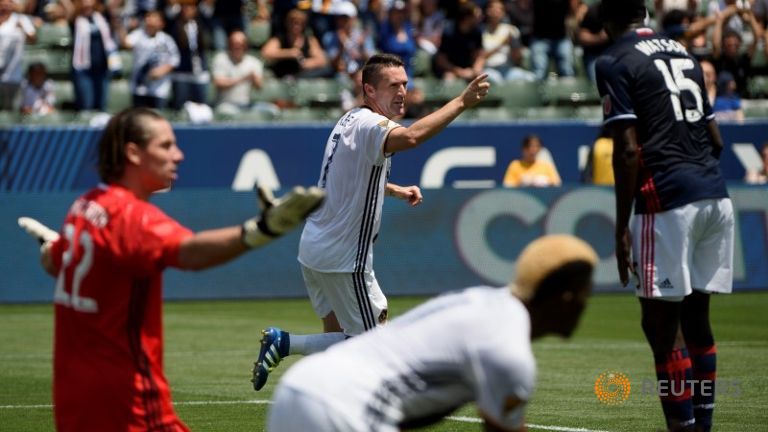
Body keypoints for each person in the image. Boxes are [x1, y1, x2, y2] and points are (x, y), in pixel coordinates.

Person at [17, 107, 324, 432]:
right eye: (165, 146)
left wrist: (52, 246)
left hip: (75, 401)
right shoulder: (134, 218)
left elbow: (56, 263)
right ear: (133, 153)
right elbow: (189, 253)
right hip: (129, 406)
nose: (177, 155)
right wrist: (261, 230)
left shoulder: (85, 205)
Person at [251, 53, 491, 391]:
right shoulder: (370, 125)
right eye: (393, 85)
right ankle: (285, 343)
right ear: (369, 90)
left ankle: (326, 410)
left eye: (405, 84)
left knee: (340, 346)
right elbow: (410, 138)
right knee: (374, 347)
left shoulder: (349, 120)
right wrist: (462, 102)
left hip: (315, 249)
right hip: (344, 258)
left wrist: (394, 190)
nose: (403, 91)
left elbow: (346, 179)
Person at [266, 234, 598, 431]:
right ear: (565, 297)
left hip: (300, 387)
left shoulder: (477, 300)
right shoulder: (510, 352)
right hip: (341, 411)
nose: (588, 303)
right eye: (586, 292)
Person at [595, 1, 734, 431]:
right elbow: (715, 138)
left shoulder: (613, 59)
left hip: (667, 197)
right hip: (715, 194)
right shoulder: (682, 51)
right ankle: (702, 425)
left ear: (610, 22)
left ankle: (683, 427)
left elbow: (629, 148)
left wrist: (621, 228)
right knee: (697, 321)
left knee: (661, 328)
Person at [67, 0, 120, 112]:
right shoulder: (76, 20)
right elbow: (70, 10)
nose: (87, 4)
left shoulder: (102, 18)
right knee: (87, 106)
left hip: (102, 69)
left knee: (101, 106)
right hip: (83, 70)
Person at [121, 10, 180, 108]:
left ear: (161, 23)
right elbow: (125, 43)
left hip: (159, 89)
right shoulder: (138, 35)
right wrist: (120, 26)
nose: (150, 21)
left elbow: (175, 59)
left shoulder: (166, 39)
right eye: (148, 18)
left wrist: (162, 70)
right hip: (139, 87)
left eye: (154, 18)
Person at [0, 0, 36, 110]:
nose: (6, 5)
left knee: (12, 110)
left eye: (9, 2)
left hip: (13, 74)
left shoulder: (21, 19)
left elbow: (33, 38)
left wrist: (23, 28)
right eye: (2, 2)